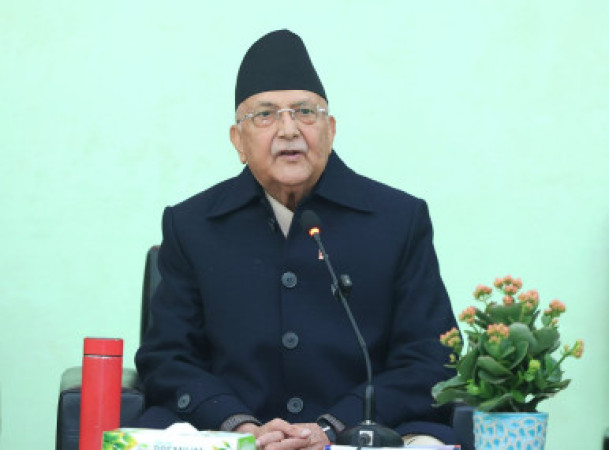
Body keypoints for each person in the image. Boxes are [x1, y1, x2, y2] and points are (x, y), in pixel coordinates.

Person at [135, 29, 459, 448]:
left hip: (363, 434)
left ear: (331, 130)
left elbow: (431, 359)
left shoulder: (398, 219)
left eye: (305, 112)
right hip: (229, 436)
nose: (288, 130)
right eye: (265, 115)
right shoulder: (193, 225)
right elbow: (168, 359)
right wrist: (242, 428)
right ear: (238, 140)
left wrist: (331, 427)